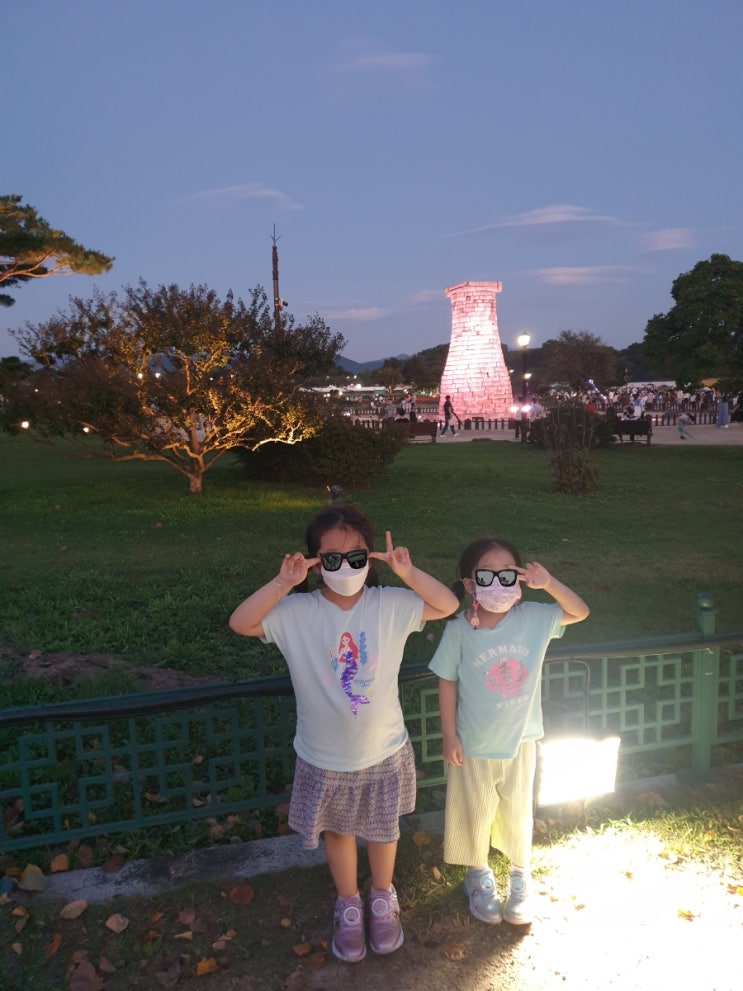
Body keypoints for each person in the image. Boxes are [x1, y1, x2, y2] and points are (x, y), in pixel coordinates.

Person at [229, 505, 458, 963]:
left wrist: (407, 572)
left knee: (382, 830)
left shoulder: (389, 605)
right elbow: (242, 622)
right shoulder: (296, 611)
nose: (345, 566)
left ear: (371, 558)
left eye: (356, 556)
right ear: (315, 563)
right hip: (323, 754)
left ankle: (380, 897)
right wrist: (282, 584)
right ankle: (349, 904)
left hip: (383, 749)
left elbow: (447, 604)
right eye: (330, 558)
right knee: (337, 831)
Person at [428, 536, 589, 927]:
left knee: (518, 813)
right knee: (474, 813)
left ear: (519, 578)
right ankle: (478, 874)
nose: (497, 582)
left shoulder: (534, 618)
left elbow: (579, 611)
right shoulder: (459, 631)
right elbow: (446, 681)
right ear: (470, 585)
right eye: (486, 575)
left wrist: (546, 582)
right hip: (473, 744)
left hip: (522, 741)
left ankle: (520, 875)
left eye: (507, 573)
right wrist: (449, 734)